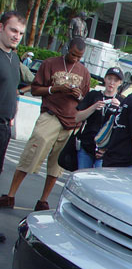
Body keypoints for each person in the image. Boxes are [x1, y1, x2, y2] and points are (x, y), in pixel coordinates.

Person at [0, 37, 89, 212]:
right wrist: (55, 89)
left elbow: (85, 98)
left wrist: (77, 95)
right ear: (67, 49)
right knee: (31, 154)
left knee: (57, 166)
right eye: (73, 55)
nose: (76, 59)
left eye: (79, 57)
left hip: (70, 122)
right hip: (51, 115)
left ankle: (43, 200)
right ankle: (10, 194)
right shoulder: (50, 64)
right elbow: (35, 89)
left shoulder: (84, 72)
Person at [0, 11, 27, 243]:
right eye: (13, 30)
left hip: (4, 127)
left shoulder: (14, 58)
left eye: (20, 33)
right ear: (1, 28)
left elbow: (15, 88)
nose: (17, 36)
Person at [74, 67, 123, 168]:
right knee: (83, 174)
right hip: (87, 144)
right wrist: (93, 107)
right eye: (109, 78)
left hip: (105, 149)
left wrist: (119, 108)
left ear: (120, 83)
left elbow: (121, 128)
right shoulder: (93, 95)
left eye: (115, 80)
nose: (112, 83)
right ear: (105, 79)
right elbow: (77, 118)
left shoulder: (122, 101)